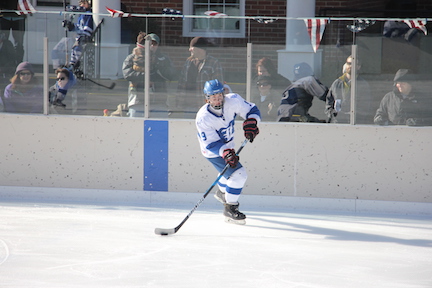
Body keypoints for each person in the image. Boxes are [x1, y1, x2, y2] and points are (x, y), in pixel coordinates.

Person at [196, 79, 260, 224]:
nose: (217, 99)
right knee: (239, 174)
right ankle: (230, 209)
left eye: (219, 95)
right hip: (213, 152)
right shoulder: (203, 117)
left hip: (228, 146)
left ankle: (222, 192)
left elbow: (252, 110)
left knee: (229, 173)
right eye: (213, 96)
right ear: (207, 98)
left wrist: (252, 122)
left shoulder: (233, 100)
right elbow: (210, 144)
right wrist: (225, 152)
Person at [122, 32, 176, 117]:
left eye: (154, 44)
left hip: (159, 101)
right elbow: (127, 74)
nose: (152, 46)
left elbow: (171, 74)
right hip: (137, 101)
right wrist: (146, 76)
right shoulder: (132, 57)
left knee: (159, 128)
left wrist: (157, 65)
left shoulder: (163, 58)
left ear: (158, 45)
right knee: (135, 127)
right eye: (150, 43)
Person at [176, 37, 224, 116]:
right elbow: (181, 84)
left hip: (206, 108)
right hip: (187, 106)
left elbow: (218, 87)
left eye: (192, 48)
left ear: (200, 49)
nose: (189, 50)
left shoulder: (214, 63)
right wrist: (178, 105)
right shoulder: (188, 62)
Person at [325, 55, 373, 124]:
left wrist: (352, 115)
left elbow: (365, 107)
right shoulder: (336, 83)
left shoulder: (362, 85)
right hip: (337, 123)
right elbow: (328, 102)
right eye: (349, 63)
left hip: (354, 123)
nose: (350, 66)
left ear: (358, 67)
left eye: (353, 64)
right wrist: (333, 114)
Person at [62, 0, 94, 68]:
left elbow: (87, 29)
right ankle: (72, 65)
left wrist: (84, 37)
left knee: (77, 50)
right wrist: (71, 26)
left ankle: (78, 65)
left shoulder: (88, 14)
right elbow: (79, 27)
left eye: (84, 3)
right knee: (74, 50)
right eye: (80, 4)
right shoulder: (81, 15)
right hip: (79, 38)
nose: (82, 5)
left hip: (83, 39)